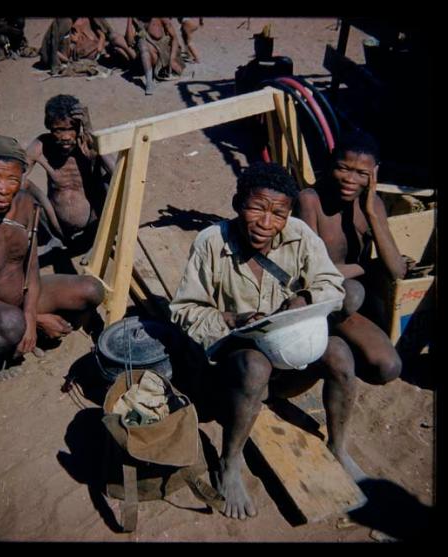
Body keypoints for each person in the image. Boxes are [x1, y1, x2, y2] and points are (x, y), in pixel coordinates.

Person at [170, 162, 362, 520]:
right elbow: (185, 310)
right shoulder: (211, 242)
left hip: (287, 358)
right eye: (256, 207)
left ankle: (338, 446)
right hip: (234, 370)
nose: (266, 222)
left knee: (340, 354)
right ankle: (229, 463)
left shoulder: (300, 234)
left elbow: (331, 285)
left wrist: (304, 299)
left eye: (278, 213)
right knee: (255, 364)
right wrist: (234, 319)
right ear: (237, 203)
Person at [0, 135, 105, 379]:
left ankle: (22, 333)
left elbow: (30, 265)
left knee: (92, 289)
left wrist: (29, 313)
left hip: (22, 301)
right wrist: (34, 320)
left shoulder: (25, 205)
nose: (3, 188)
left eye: (12, 179)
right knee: (11, 324)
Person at [295, 131, 404, 385]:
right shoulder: (310, 200)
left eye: (362, 173)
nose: (350, 180)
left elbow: (397, 271)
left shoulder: (372, 204)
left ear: (374, 174)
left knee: (389, 367)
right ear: (330, 164)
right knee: (353, 292)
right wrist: (366, 267)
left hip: (352, 301)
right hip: (321, 299)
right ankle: (327, 342)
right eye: (343, 169)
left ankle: (346, 342)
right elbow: (314, 274)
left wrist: (372, 215)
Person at [25, 94, 115, 258]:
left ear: (79, 127)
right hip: (57, 224)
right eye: (59, 130)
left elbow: (118, 172)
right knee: (21, 183)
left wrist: (94, 143)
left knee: (108, 179)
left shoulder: (87, 141)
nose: (66, 136)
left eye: (70, 129)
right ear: (50, 127)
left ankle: (98, 240)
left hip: (92, 220)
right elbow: (16, 174)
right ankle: (55, 237)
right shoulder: (42, 145)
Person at [38, 17, 129, 75]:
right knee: (116, 50)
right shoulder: (66, 23)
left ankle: (129, 59)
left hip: (97, 47)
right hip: (83, 51)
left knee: (116, 43)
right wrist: (68, 60)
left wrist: (101, 42)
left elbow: (102, 32)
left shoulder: (86, 20)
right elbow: (55, 50)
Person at [123, 17, 186, 95]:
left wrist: (172, 59)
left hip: (164, 54)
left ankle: (156, 73)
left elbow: (174, 38)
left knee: (142, 44)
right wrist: (129, 20)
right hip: (146, 55)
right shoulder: (137, 20)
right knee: (141, 42)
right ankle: (149, 82)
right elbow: (129, 42)